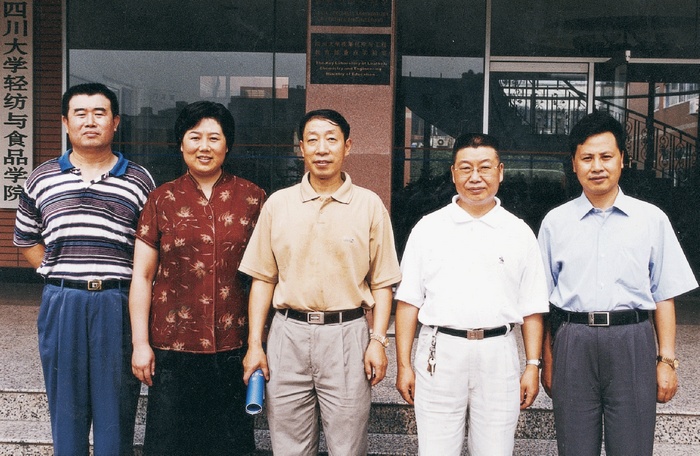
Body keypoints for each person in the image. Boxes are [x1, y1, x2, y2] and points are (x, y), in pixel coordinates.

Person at [239, 109, 402, 455]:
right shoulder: (278, 204)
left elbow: (383, 282)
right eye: (312, 140)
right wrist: (255, 344)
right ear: (301, 148)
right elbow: (263, 279)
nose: (322, 148)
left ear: (347, 146)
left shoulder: (369, 205)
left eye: (331, 139)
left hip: (346, 335)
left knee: (347, 446)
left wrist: (378, 341)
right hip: (287, 336)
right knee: (289, 446)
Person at [538, 111, 698, 456]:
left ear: (622, 159)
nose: (597, 166)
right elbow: (542, 302)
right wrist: (546, 361)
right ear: (574, 164)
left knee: (632, 447)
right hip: (573, 341)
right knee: (574, 448)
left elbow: (664, 295)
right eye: (587, 158)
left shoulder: (651, 219)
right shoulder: (555, 223)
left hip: (632, 341)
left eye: (606, 156)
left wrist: (666, 360)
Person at [13, 83, 155, 456]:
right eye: (80, 113)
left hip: (116, 303)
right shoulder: (42, 177)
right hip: (63, 303)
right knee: (66, 414)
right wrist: (56, 271)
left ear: (116, 122)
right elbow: (25, 239)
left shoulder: (139, 180)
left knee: (116, 417)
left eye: (99, 113)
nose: (90, 122)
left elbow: (150, 250)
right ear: (65, 122)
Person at [394, 133, 548, 456]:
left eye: (484, 167)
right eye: (465, 168)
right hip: (440, 351)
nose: (475, 177)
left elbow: (532, 306)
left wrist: (532, 364)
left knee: (496, 450)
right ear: (453, 173)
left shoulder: (519, 232)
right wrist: (404, 364)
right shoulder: (428, 228)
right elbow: (408, 301)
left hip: (498, 352)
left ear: (500, 172)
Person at [129, 101, 265, 456]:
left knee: (229, 446)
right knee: (169, 445)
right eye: (195, 137)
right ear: (181, 144)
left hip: (233, 346)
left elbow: (266, 277)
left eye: (214, 138)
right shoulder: (161, 199)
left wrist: (258, 343)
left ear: (227, 145)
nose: (204, 147)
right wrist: (140, 343)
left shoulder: (253, 198)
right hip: (172, 348)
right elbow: (142, 275)